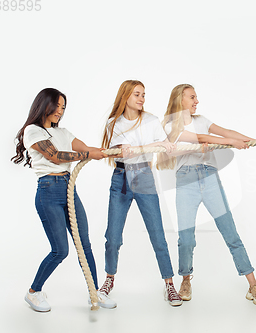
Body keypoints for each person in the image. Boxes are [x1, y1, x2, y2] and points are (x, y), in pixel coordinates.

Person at [156, 84, 256, 306]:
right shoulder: (170, 125)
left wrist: (255, 142)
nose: (196, 101)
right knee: (186, 239)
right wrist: (232, 143)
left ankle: (253, 285)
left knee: (231, 234)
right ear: (180, 99)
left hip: (209, 177)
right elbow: (199, 138)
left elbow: (227, 133)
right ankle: (186, 279)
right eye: (192, 97)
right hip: (186, 180)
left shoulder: (202, 119)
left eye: (196, 97)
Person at [12, 88, 116, 312]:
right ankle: (34, 292)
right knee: (60, 250)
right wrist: (89, 155)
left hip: (69, 189)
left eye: (63, 108)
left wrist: (111, 152)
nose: (60, 111)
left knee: (84, 244)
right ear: (44, 105)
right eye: (56, 106)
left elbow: (87, 149)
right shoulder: (32, 131)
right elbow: (55, 156)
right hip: (48, 191)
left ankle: (94, 291)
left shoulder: (64, 132)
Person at [99, 80, 182, 306]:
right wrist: (120, 150)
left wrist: (167, 145)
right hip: (121, 178)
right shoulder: (113, 123)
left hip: (144, 176)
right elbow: (113, 151)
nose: (141, 98)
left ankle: (169, 284)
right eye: (137, 94)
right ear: (125, 96)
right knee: (113, 237)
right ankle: (109, 278)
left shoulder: (152, 120)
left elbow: (163, 143)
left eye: (143, 94)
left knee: (157, 234)